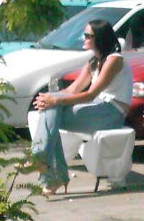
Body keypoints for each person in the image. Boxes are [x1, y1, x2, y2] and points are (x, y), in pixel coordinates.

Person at [22, 19, 132, 195]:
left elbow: (90, 94)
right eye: (85, 34)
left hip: (112, 112)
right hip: (97, 109)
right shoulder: (93, 62)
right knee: (51, 116)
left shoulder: (114, 60)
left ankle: (49, 170)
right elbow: (73, 90)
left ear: (100, 38)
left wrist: (55, 101)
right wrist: (50, 98)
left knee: (51, 115)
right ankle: (44, 162)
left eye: (89, 35)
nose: (84, 38)